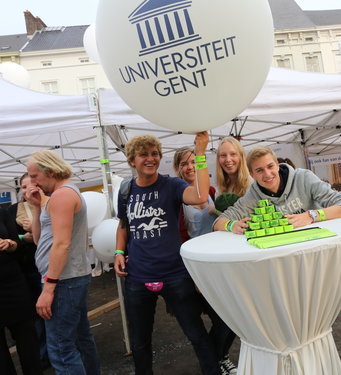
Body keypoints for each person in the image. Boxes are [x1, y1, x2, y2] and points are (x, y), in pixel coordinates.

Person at [213, 147, 341, 375]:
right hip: (291, 271)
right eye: (259, 170)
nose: (267, 174)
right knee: (300, 324)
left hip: (328, 261)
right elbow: (220, 220)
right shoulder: (253, 195)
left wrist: (311, 216)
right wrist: (232, 225)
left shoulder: (303, 178)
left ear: (278, 164)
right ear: (251, 173)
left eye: (270, 167)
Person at [114, 133, 221, 375]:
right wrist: (119, 251)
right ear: (132, 161)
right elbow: (123, 224)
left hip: (175, 275)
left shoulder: (172, 185)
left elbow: (200, 196)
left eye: (154, 154)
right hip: (137, 276)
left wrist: (201, 154)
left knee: (196, 334)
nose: (150, 159)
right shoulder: (125, 190)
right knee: (140, 342)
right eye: (144, 155)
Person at [26, 150, 100, 375]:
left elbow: (61, 245)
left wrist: (48, 288)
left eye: (34, 176)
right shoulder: (56, 197)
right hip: (67, 279)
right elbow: (40, 241)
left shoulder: (62, 196)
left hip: (63, 281)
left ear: (50, 171)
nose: (31, 182)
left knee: (60, 349)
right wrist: (37, 206)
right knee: (79, 340)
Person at [173, 147, 237, 375]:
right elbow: (179, 238)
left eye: (193, 162)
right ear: (177, 168)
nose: (190, 167)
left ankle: (219, 358)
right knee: (222, 319)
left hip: (216, 261)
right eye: (184, 164)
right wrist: (194, 277)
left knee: (234, 318)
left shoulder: (209, 190)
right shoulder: (177, 196)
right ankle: (214, 362)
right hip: (194, 268)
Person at [8, 173, 50, 369]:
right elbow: (11, 237)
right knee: (35, 317)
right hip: (27, 269)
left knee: (50, 313)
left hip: (48, 267)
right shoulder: (12, 211)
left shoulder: (47, 205)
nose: (26, 191)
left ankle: (53, 352)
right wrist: (26, 236)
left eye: (30, 186)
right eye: (23, 187)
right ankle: (43, 356)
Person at [0, 206, 43, 375]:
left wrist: (10, 244)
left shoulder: (2, 212)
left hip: (13, 284)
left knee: (28, 342)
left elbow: (19, 246)